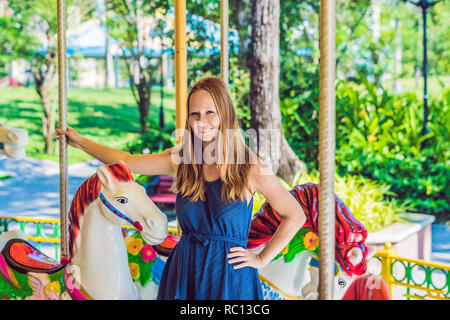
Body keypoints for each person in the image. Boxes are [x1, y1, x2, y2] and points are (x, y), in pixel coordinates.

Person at [56, 76, 306, 300]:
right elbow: (128, 161)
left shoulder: (249, 166)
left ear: (225, 114)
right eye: (194, 114)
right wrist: (80, 142)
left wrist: (262, 258)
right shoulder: (183, 159)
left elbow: (295, 215)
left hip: (229, 278)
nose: (202, 121)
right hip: (185, 271)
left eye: (210, 112)